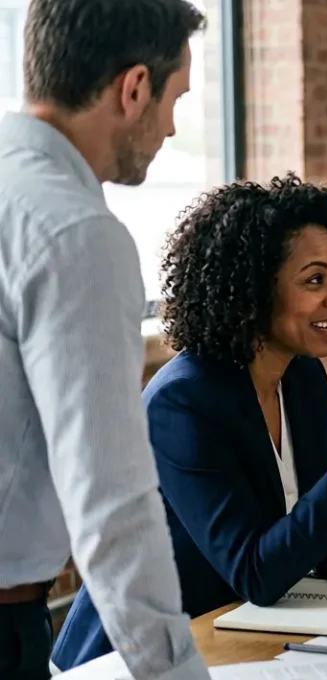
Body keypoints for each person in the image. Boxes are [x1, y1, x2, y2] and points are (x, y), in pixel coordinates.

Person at [51, 175, 327, 669]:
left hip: (231, 633)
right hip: (131, 657)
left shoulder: (300, 376)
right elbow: (255, 572)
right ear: (252, 291)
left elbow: (318, 524)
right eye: (314, 280)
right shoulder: (182, 404)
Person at [0, 2, 211, 678]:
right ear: (134, 87)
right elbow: (112, 506)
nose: (173, 125)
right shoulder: (76, 235)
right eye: (175, 97)